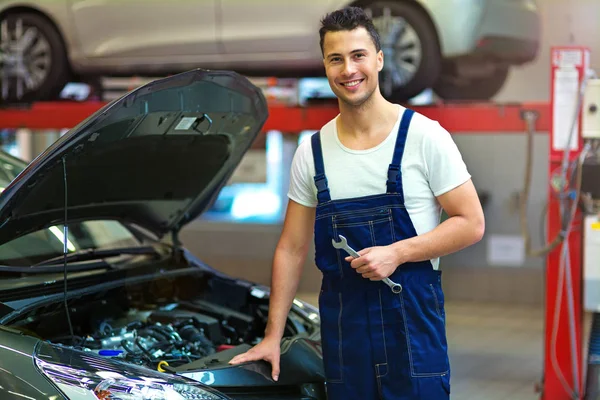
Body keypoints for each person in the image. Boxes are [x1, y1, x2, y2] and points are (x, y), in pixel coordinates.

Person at [229, 6, 485, 399]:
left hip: (413, 339)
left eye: (358, 55)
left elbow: (471, 222)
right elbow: (292, 248)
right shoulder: (312, 153)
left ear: (379, 60)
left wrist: (397, 253)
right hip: (346, 343)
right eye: (336, 59)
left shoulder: (423, 137)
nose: (348, 69)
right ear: (325, 66)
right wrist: (272, 337)